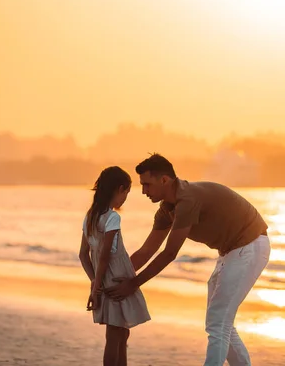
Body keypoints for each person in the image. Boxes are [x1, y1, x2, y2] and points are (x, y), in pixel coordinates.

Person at [105, 154, 271, 366]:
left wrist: (133, 283)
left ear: (164, 180)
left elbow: (169, 253)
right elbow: (147, 251)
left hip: (251, 246)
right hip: (230, 252)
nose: (144, 191)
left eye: (147, 184)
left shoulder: (188, 199)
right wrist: (114, 278)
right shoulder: (166, 209)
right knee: (220, 323)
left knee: (218, 322)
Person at [78, 166, 151, 366]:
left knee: (121, 332)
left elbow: (84, 254)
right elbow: (103, 256)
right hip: (117, 280)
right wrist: (97, 286)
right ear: (119, 189)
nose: (126, 197)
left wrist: (95, 282)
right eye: (127, 192)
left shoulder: (90, 216)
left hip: (103, 280)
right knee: (114, 334)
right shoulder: (112, 217)